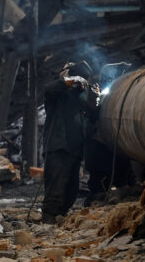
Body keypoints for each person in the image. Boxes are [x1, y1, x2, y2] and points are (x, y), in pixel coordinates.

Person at [42, 61, 98, 223]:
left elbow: (92, 119)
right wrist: (72, 80)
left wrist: (95, 99)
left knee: (71, 190)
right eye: (83, 79)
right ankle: (49, 219)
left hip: (75, 150)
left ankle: (61, 217)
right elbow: (49, 88)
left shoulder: (81, 99)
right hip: (59, 147)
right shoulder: (59, 95)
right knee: (56, 187)